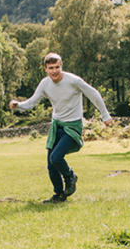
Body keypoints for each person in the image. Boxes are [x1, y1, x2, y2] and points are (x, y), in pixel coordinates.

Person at [9, 53, 113, 203]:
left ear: (61, 66)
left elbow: (94, 94)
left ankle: (70, 176)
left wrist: (105, 116)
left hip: (73, 126)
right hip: (57, 125)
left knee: (56, 157)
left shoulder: (73, 81)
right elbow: (31, 103)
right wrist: (18, 105)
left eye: (57, 67)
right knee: (51, 165)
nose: (54, 71)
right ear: (46, 69)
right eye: (51, 68)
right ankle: (58, 195)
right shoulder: (45, 84)